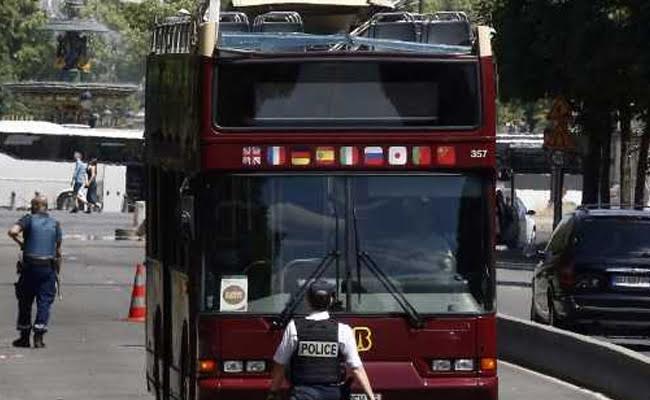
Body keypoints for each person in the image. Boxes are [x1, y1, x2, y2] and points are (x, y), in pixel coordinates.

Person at [268, 280, 375, 400]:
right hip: (333, 394)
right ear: (331, 300)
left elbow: (280, 363)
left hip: (302, 394)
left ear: (308, 300)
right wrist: (371, 396)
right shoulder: (343, 330)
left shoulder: (294, 328)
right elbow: (356, 368)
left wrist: (273, 392)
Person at [7, 195, 62, 348]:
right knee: (44, 302)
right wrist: (57, 272)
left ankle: (24, 337)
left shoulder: (28, 219)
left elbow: (12, 231)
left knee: (25, 301)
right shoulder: (55, 224)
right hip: (47, 267)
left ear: (33, 207)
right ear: (46, 207)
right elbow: (58, 251)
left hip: (30, 266)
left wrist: (21, 243)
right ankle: (38, 337)